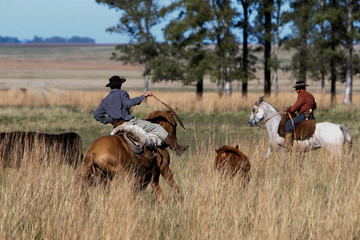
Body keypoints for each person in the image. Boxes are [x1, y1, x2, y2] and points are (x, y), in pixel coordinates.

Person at [94, 75, 189, 156]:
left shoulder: (105, 100)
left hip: (116, 126)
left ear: (110, 87)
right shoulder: (122, 93)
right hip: (129, 122)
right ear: (120, 84)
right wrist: (143, 96)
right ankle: (177, 148)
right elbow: (128, 103)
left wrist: (109, 120)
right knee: (157, 128)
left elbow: (97, 115)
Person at [284, 80, 317, 148]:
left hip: (303, 116)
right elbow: (315, 106)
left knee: (289, 123)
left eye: (296, 89)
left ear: (299, 89)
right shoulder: (310, 95)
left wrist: (289, 109)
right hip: (311, 115)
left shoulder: (302, 95)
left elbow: (296, 106)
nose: (296, 90)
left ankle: (288, 144)